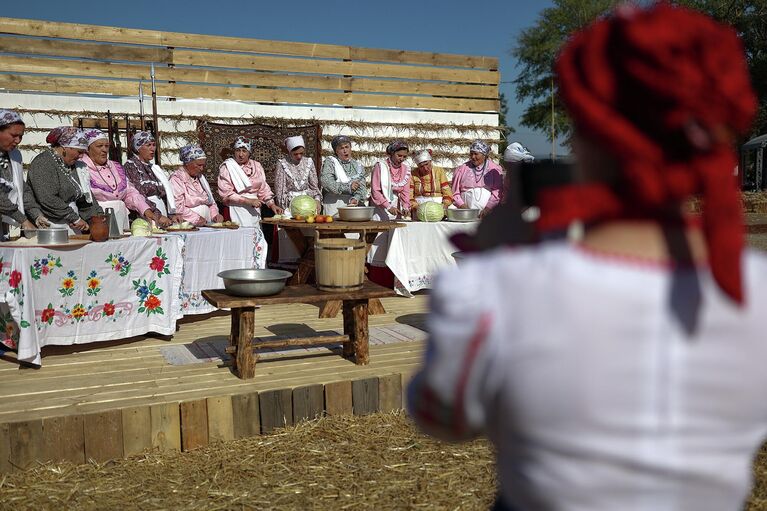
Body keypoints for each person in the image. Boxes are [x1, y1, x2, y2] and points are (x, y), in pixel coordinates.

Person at [408, 4, 767, 511]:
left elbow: (441, 418)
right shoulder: (758, 291)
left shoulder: (494, 290)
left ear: (589, 130)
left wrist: (493, 263)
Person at [81, 129, 163, 231]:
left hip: (121, 219)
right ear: (87, 149)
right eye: (99, 146)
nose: (104, 150)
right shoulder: (81, 169)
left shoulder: (115, 167)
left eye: (106, 146)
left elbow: (130, 192)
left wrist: (145, 209)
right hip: (98, 220)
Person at [26, 127, 102, 233]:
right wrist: (74, 218)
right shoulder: (43, 163)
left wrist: (97, 219)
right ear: (65, 148)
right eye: (79, 152)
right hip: (49, 225)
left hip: (72, 224)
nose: (81, 156)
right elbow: (48, 198)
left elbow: (86, 199)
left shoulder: (76, 167)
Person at [123, 130, 175, 226]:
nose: (152, 149)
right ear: (138, 148)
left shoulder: (154, 168)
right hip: (146, 214)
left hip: (162, 213)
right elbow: (138, 193)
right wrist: (157, 215)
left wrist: (171, 214)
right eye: (148, 145)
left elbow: (165, 194)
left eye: (154, 145)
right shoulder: (131, 166)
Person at [0, 109, 36, 238]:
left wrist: (36, 215)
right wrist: (23, 220)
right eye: (14, 135)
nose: (18, 140)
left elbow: (21, 189)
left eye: (21, 136)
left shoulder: (14, 155)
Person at [169, 144, 223, 226]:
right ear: (187, 163)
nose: (201, 169)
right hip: (189, 223)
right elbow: (178, 207)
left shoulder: (201, 179)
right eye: (198, 165)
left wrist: (215, 215)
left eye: (203, 165)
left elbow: (211, 202)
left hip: (206, 221)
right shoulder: (176, 179)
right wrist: (196, 218)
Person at [450, 140, 503, 217]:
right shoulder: (462, 169)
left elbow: (497, 191)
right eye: (471, 154)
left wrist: (488, 209)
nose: (473, 157)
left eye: (476, 154)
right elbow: (455, 192)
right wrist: (463, 207)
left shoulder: (494, 169)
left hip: (488, 213)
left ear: (484, 155)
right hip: (465, 212)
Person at [274, 135, 321, 215]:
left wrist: (317, 200)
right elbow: (280, 190)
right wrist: (285, 207)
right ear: (290, 152)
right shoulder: (283, 164)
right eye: (295, 154)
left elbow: (314, 186)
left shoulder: (308, 162)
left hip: (308, 203)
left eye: (301, 153)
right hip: (290, 205)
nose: (299, 156)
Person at [320, 135, 367, 217]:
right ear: (336, 151)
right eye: (341, 148)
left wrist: (356, 198)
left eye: (347, 147)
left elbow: (362, 188)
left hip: (351, 206)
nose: (345, 151)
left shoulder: (358, 166)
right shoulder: (331, 162)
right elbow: (326, 182)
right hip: (334, 205)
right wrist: (347, 187)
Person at [370, 140, 411, 220]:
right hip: (380, 204)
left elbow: (405, 191)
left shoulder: (405, 168)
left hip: (396, 205)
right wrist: (388, 206)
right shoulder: (380, 166)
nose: (402, 159)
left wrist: (405, 207)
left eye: (404, 156)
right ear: (392, 153)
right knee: (380, 229)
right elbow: (375, 191)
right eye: (399, 155)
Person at [409, 149, 453, 217]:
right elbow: (409, 194)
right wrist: (415, 206)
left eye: (427, 164)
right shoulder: (413, 174)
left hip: (438, 205)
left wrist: (445, 204)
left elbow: (446, 191)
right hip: (418, 206)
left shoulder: (439, 171)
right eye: (421, 166)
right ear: (417, 166)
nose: (425, 168)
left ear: (430, 161)